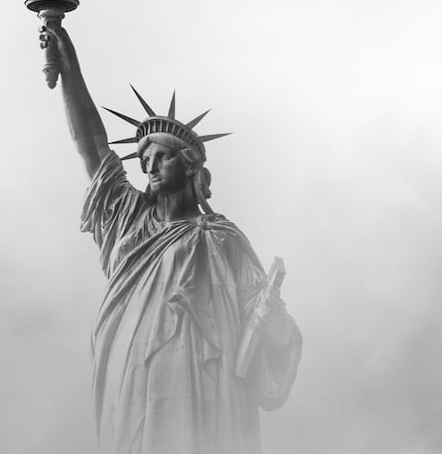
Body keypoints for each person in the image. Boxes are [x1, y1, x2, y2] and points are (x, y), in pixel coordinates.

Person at [41, 24, 302, 454]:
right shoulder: (128, 221)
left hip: (205, 373)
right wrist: (70, 69)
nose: (150, 166)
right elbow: (91, 145)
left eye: (161, 156)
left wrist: (273, 322)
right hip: (134, 364)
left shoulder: (222, 239)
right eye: (144, 159)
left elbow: (268, 320)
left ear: (191, 167)